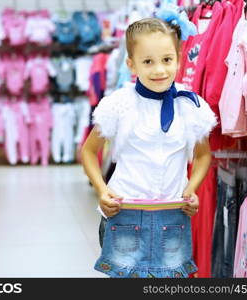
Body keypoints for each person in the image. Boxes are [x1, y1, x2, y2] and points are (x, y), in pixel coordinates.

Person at [81, 16, 217, 278]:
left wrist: (191, 189)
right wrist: (102, 190)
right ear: (131, 64)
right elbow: (88, 151)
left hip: (172, 215)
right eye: (147, 62)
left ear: (179, 57)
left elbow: (202, 156)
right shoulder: (118, 104)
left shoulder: (192, 106)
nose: (159, 70)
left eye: (167, 60)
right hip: (123, 212)